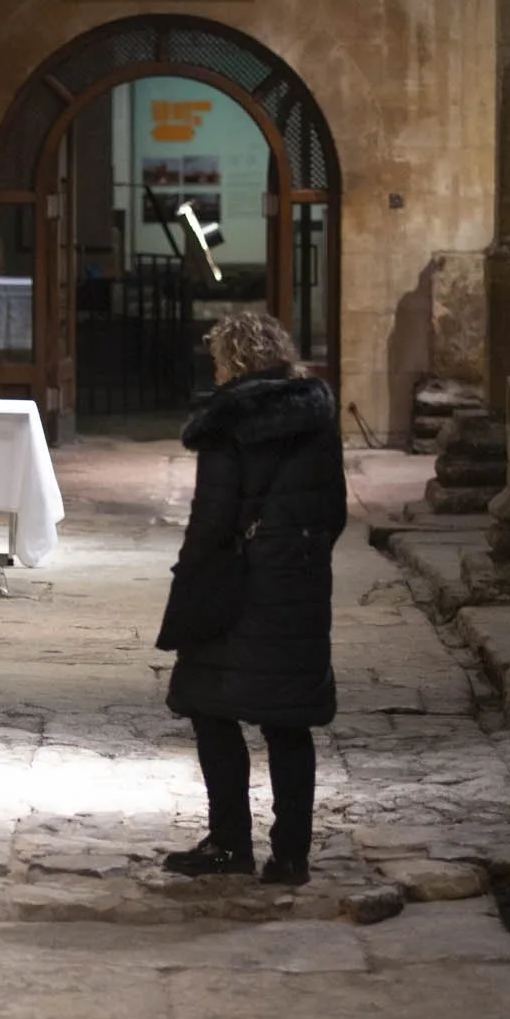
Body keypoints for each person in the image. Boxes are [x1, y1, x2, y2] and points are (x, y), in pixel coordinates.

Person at [157, 309, 348, 888]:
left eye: (218, 357)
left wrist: (190, 576)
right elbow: (333, 509)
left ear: (231, 360)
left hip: (234, 588)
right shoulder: (315, 415)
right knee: (288, 723)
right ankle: (291, 856)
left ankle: (230, 841)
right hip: (298, 582)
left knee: (210, 708)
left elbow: (212, 517)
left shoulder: (228, 421)